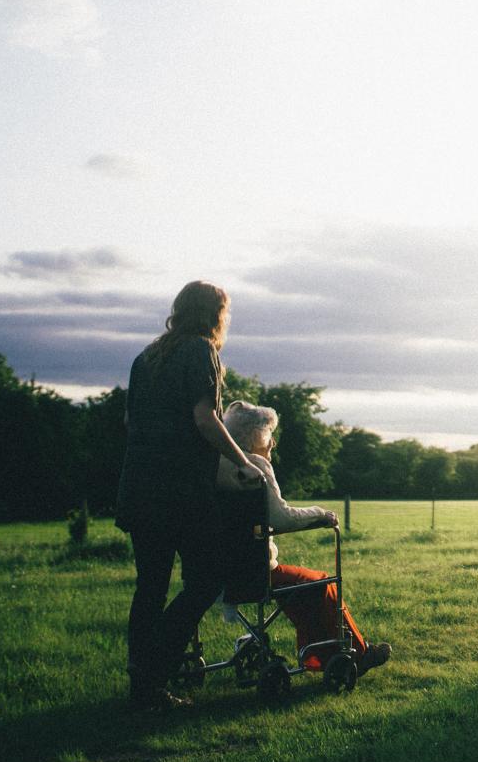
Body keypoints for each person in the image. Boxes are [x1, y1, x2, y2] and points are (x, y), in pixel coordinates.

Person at [116, 281, 264, 711]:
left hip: (139, 487)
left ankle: (142, 684)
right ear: (215, 314)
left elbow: (131, 421)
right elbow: (206, 419)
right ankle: (154, 671)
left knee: (150, 587)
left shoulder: (147, 357)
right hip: (179, 492)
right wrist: (242, 461)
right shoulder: (201, 352)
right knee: (206, 581)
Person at [217, 400, 391, 676]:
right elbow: (281, 518)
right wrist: (321, 514)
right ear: (255, 437)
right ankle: (357, 653)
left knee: (301, 587)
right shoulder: (255, 465)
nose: (273, 443)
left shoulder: (218, 465)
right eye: (269, 435)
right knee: (321, 582)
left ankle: (318, 658)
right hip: (254, 572)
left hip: (217, 571)